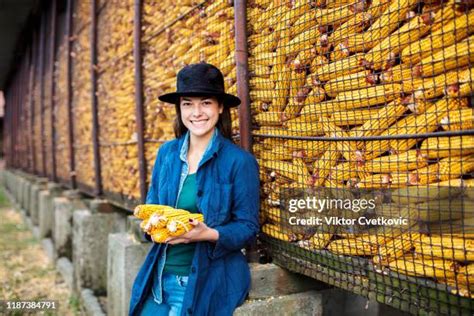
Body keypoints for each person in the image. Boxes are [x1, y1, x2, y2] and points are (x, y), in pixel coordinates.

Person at [128, 63, 260, 316]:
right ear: (179, 109)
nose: (196, 112)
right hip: (157, 277)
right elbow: (151, 208)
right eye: (187, 103)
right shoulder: (166, 154)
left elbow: (248, 226)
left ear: (220, 107)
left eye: (206, 103)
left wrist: (208, 234)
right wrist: (150, 226)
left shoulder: (238, 162)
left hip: (201, 282)